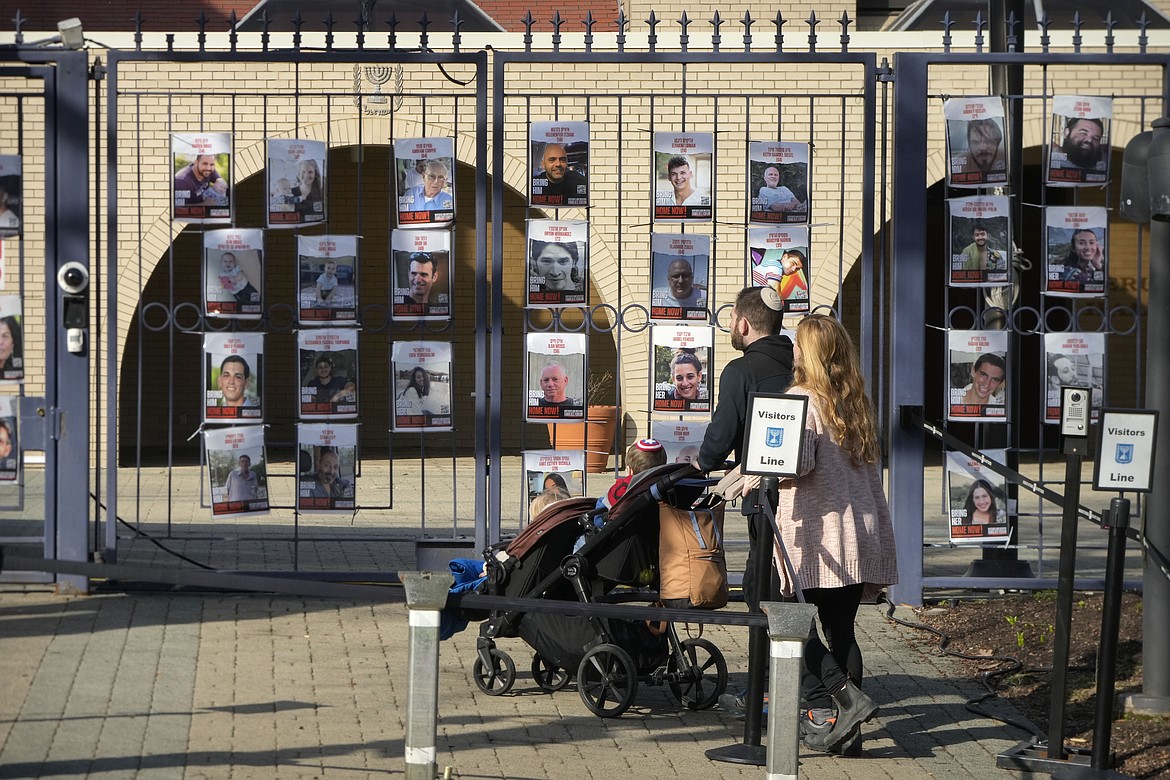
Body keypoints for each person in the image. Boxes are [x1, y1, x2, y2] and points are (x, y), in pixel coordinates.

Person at [758, 314, 899, 754]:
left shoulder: (801, 399)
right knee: (842, 631)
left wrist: (757, 466)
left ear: (812, 354)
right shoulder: (854, 400)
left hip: (816, 535)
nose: (793, 351)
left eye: (798, 345)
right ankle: (847, 734)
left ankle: (844, 697)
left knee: (783, 620)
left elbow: (795, 465)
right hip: (859, 530)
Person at [695, 286, 794, 610]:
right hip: (806, 494)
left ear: (744, 325)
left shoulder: (741, 370)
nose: (732, 324)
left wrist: (702, 462)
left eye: (733, 316)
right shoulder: (801, 365)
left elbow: (721, 437)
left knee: (761, 584)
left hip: (763, 493)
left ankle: (778, 657)